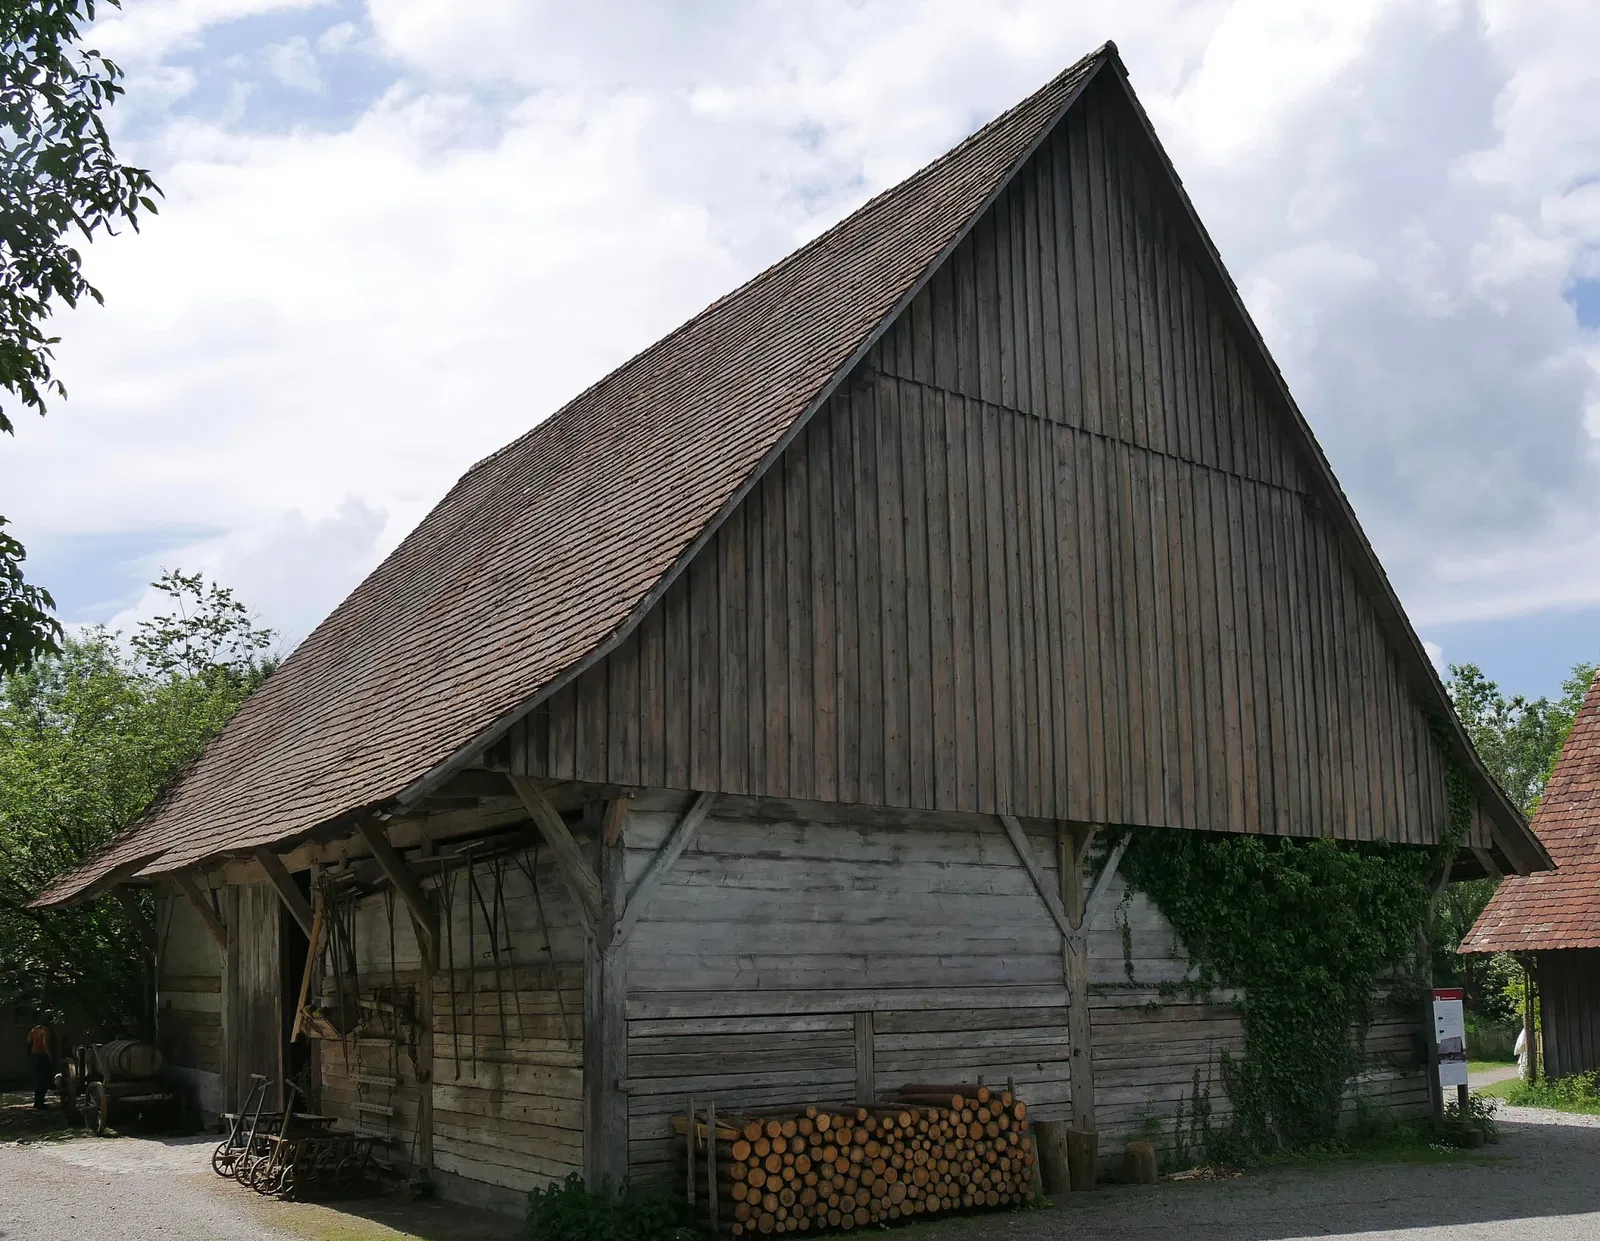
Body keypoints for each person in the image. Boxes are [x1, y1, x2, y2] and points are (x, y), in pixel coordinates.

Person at [27, 1018, 53, 1109]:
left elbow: (28, 1040)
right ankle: (40, 1102)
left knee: (38, 1080)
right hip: (42, 1056)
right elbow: (46, 1044)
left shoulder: (33, 1030)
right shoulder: (46, 1031)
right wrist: (50, 1057)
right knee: (44, 1080)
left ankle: (37, 1101)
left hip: (35, 1055)